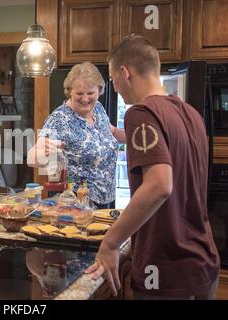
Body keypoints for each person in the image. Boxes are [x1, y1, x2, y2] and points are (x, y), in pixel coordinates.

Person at [85, 34, 220, 299]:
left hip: (165, 268)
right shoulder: (191, 114)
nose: (116, 87)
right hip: (203, 261)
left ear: (125, 73)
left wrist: (110, 243)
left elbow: (159, 185)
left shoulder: (141, 113)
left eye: (112, 79)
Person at [27, 62, 126, 209]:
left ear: (99, 90)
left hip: (106, 198)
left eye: (90, 93)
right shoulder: (59, 119)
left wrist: (138, 135)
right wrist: (43, 153)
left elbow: (110, 131)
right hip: (76, 202)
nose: (85, 99)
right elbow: (31, 158)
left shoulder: (98, 109)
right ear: (69, 92)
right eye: (79, 93)